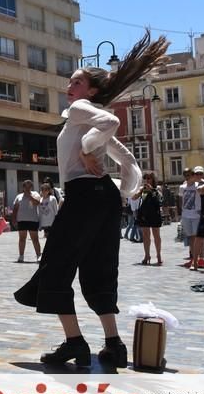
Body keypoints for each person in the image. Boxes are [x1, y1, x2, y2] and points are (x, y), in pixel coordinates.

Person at [14, 31, 167, 369]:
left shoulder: (82, 110)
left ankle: (75, 343)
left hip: (83, 196)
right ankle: (114, 345)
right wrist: (124, 187)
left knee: (55, 269)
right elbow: (126, 157)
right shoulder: (88, 114)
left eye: (78, 82)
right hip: (105, 199)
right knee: (100, 269)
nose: (71, 87)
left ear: (92, 90)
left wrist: (84, 152)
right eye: (70, 82)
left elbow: (112, 123)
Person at [136, 172, 164, 265]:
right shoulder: (142, 189)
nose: (147, 180)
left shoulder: (157, 188)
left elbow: (160, 198)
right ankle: (147, 255)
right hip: (144, 214)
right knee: (145, 236)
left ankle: (158, 255)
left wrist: (151, 190)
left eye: (149, 178)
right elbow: (133, 197)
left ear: (153, 179)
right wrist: (140, 191)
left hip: (154, 214)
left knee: (156, 235)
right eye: (146, 178)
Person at [179, 167, 204, 269]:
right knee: (190, 238)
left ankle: (197, 260)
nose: (187, 177)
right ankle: (194, 259)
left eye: (189, 174)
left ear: (193, 175)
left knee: (196, 237)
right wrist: (180, 212)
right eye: (185, 175)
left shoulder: (199, 186)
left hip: (196, 215)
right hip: (186, 215)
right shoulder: (182, 187)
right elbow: (181, 200)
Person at [12, 180, 42, 262]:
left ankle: (39, 255)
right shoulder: (19, 196)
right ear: (23, 187)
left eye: (29, 186)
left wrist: (30, 196)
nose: (27, 188)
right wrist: (14, 219)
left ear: (31, 187)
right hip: (22, 220)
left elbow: (37, 203)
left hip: (33, 220)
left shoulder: (35, 194)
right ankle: (21, 256)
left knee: (35, 239)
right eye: (26, 186)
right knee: (22, 239)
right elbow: (15, 208)